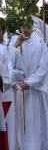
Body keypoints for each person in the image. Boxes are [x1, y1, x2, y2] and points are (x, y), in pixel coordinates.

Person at [12, 25, 48, 149]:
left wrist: (29, 82)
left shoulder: (38, 45)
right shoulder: (12, 43)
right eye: (23, 27)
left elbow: (43, 67)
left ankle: (34, 145)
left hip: (32, 88)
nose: (25, 29)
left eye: (28, 27)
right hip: (16, 88)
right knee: (17, 119)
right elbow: (6, 62)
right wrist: (14, 48)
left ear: (32, 29)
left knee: (33, 119)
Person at [0, 19, 25, 150]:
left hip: (6, 93)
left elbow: (22, 73)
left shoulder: (12, 50)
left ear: (3, 32)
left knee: (8, 128)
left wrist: (8, 76)